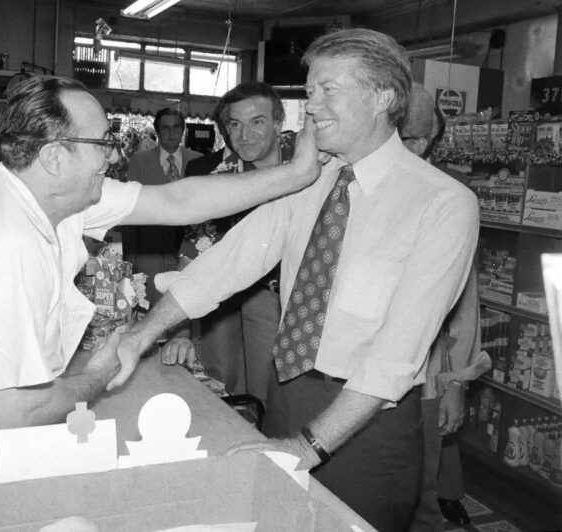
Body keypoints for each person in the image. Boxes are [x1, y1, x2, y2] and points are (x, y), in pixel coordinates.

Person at [0, 75, 323, 531]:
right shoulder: (3, 245)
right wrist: (98, 375)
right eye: (101, 143)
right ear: (55, 157)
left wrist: (297, 175)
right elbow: (17, 414)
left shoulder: (49, 194)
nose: (112, 156)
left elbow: (177, 201)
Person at [112, 28, 479, 531]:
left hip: (367, 420)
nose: (312, 106)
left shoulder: (442, 203)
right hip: (284, 390)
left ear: (382, 97)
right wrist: (142, 334)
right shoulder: (310, 177)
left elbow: (397, 354)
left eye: (328, 90)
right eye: (309, 91)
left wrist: (307, 446)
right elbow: (229, 261)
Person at [163, 82, 293, 404]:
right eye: (236, 124)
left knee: (270, 391)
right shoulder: (221, 179)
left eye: (257, 122)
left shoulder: (308, 161)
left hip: (284, 296)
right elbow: (191, 255)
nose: (245, 135)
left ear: (278, 123)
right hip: (226, 297)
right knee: (220, 384)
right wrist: (180, 331)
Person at [400, 83, 491, 531]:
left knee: (419, 493)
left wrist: (456, 384)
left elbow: (463, 309)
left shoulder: (448, 202)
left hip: (423, 378)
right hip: (354, 383)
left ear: (420, 143)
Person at [122, 107, 201, 305]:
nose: (171, 132)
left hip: (190, 253)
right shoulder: (140, 161)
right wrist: (130, 257)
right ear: (157, 131)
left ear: (183, 130)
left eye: (176, 127)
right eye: (166, 128)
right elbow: (130, 210)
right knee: (151, 306)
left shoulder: (199, 161)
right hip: (150, 252)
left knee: (188, 306)